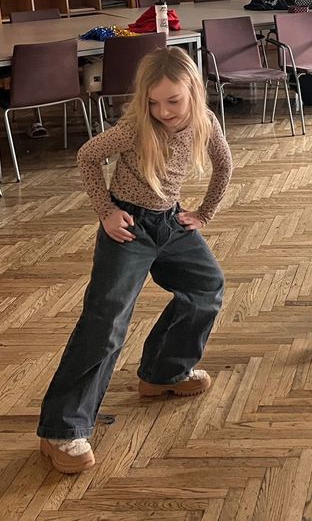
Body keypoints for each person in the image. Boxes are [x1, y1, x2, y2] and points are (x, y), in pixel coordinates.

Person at [38, 48, 232, 474]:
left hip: (171, 223)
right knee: (106, 320)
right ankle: (62, 429)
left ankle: (164, 372)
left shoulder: (206, 122)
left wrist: (203, 214)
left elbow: (224, 166)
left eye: (173, 101)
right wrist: (106, 212)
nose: (163, 111)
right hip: (128, 228)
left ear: (194, 91)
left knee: (207, 287)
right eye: (153, 102)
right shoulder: (134, 129)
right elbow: (87, 157)